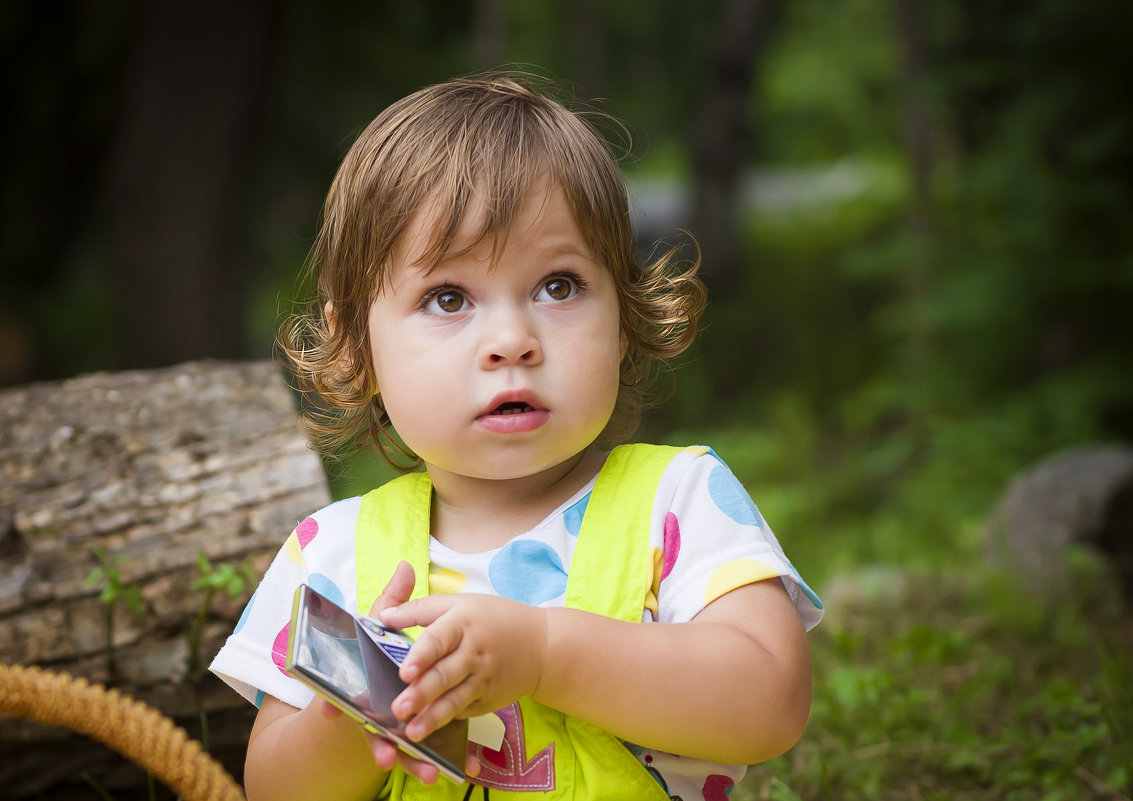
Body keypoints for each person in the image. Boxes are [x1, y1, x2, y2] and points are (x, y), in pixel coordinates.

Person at [210, 73, 823, 801]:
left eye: (557, 286)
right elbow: (272, 791)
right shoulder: (332, 553)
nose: (511, 340)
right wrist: (359, 710)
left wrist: (543, 653)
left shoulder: (677, 501)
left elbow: (770, 700)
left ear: (624, 315)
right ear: (354, 351)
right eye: (447, 297)